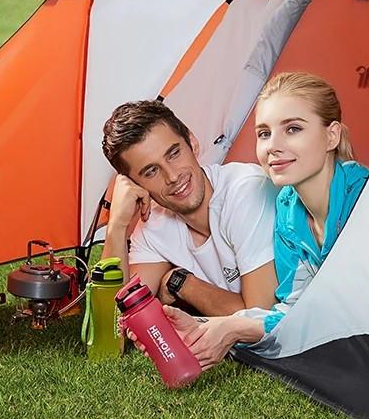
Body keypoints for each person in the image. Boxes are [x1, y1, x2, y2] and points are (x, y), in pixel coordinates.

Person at [141, 72, 369, 369]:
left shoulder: (362, 198)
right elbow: (292, 310)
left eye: (293, 129)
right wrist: (214, 327)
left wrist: (233, 328)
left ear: (331, 135)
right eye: (264, 133)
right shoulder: (288, 211)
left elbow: (359, 312)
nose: (273, 146)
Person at [101, 100, 278, 316]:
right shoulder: (153, 226)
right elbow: (114, 325)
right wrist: (117, 226)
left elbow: (262, 320)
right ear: (136, 185)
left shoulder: (246, 190)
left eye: (174, 154)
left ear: (192, 142)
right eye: (151, 171)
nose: (173, 176)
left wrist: (182, 283)